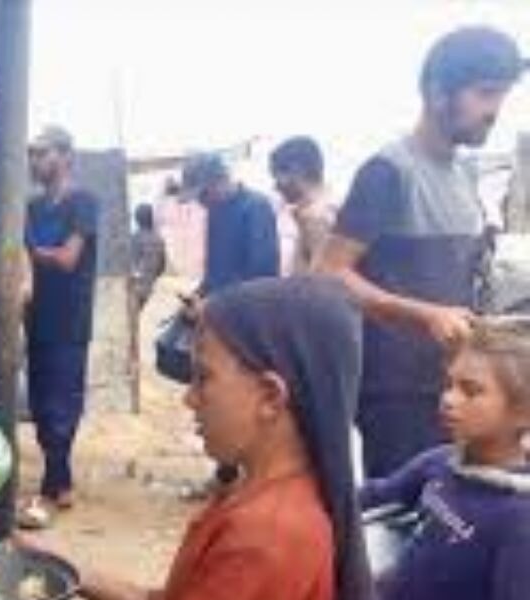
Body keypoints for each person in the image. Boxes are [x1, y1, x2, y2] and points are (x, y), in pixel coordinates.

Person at [0, 277, 413, 600]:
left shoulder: (270, 533)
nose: (189, 397)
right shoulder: (260, 498)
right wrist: (61, 564)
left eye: (204, 377)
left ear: (271, 396)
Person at [318, 26, 523, 478]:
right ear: (436, 92)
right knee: (401, 520)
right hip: (396, 395)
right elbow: (330, 273)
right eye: (485, 94)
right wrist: (424, 315)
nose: (494, 112)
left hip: (456, 388)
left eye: (501, 98)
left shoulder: (463, 175)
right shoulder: (388, 172)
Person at [360, 319, 530, 600]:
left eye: (471, 391)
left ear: (523, 412)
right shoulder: (440, 464)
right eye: (449, 383)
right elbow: (374, 496)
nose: (449, 399)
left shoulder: (518, 518)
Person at [19, 126, 100, 529]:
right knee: (39, 400)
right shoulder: (32, 207)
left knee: (61, 402)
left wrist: (31, 252)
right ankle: (56, 480)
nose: (34, 161)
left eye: (42, 153)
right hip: (37, 316)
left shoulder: (82, 202)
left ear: (67, 156)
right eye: (31, 154)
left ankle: (58, 482)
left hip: (69, 318)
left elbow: (69, 259)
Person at [180, 153, 280, 298]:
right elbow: (214, 271)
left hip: (250, 305)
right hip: (221, 302)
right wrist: (198, 295)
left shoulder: (255, 207)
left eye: (204, 194)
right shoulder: (215, 211)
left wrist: (217, 304)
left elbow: (261, 275)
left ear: (221, 180)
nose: (201, 203)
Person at [269, 136, 337, 274]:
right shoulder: (315, 210)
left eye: (277, 175)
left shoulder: (317, 216)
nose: (275, 186)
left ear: (297, 170)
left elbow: (317, 282)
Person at [130, 202, 167, 310]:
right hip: (148, 287)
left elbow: (130, 265)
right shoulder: (159, 239)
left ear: (137, 219)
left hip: (134, 287)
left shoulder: (134, 238)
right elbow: (161, 267)